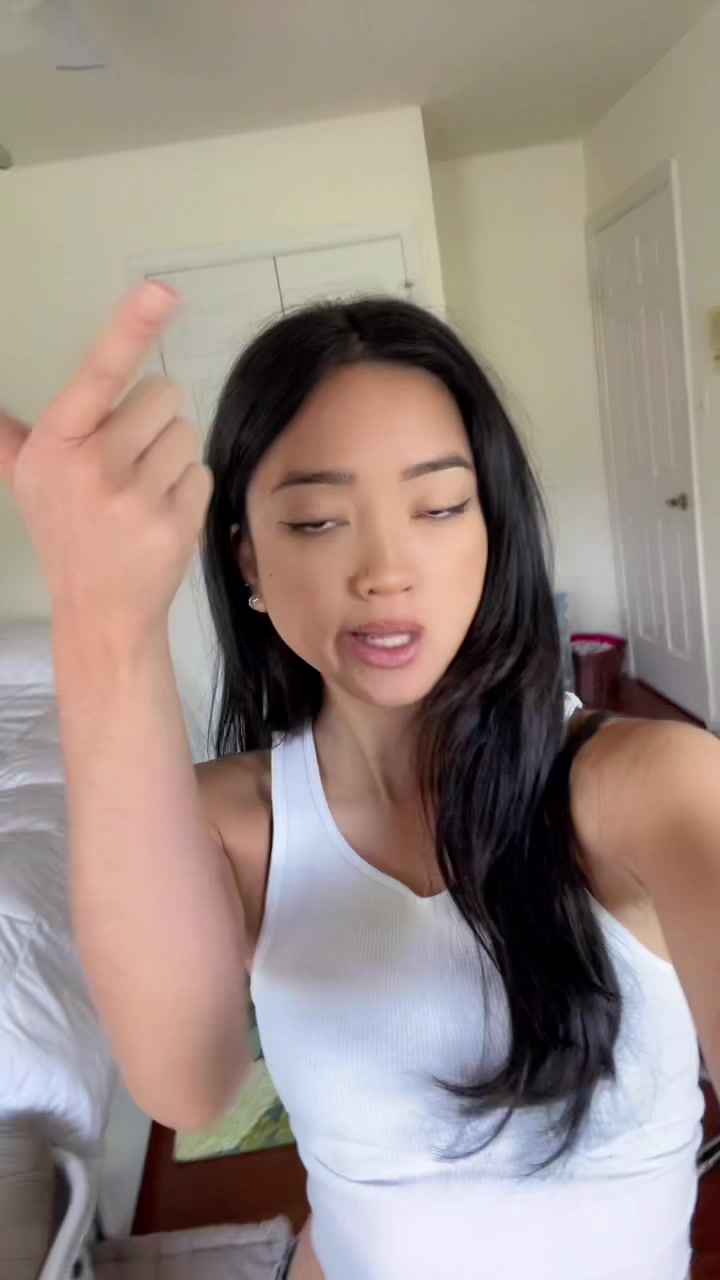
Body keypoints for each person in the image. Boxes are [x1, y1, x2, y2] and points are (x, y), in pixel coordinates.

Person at [1, 282, 718, 1280]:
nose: (386, 568)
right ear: (247, 561)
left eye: (439, 506)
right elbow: (185, 1084)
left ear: (492, 528)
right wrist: (102, 615)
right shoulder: (230, 824)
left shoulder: (650, 786)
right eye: (316, 521)